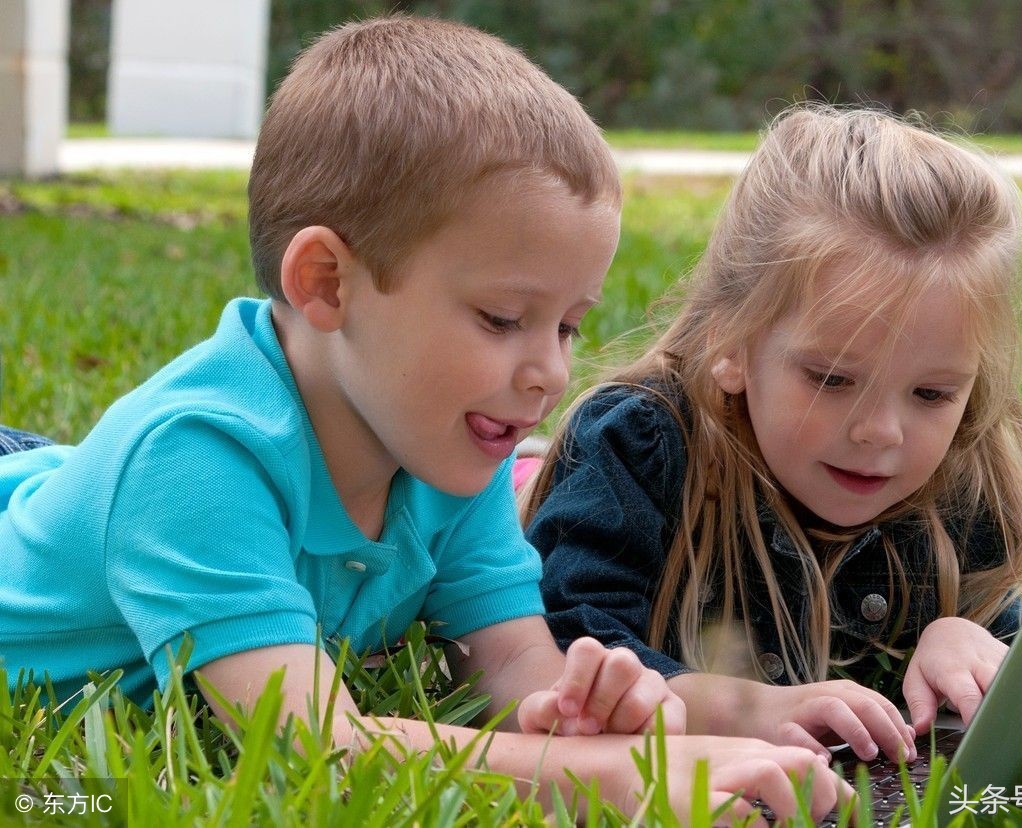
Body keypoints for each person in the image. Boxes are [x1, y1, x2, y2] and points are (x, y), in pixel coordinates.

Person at [0, 18, 848, 821]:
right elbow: (310, 750)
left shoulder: (449, 444)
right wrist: (605, 781)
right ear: (328, 284)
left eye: (568, 326)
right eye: (502, 319)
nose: (551, 372)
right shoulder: (193, 463)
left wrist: (580, 717)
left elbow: (512, 665)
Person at [523, 105, 1022, 764]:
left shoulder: (962, 466)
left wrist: (969, 643)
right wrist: (742, 710)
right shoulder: (640, 443)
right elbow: (561, 645)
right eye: (832, 378)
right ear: (732, 340)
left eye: (931, 394)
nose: (880, 432)